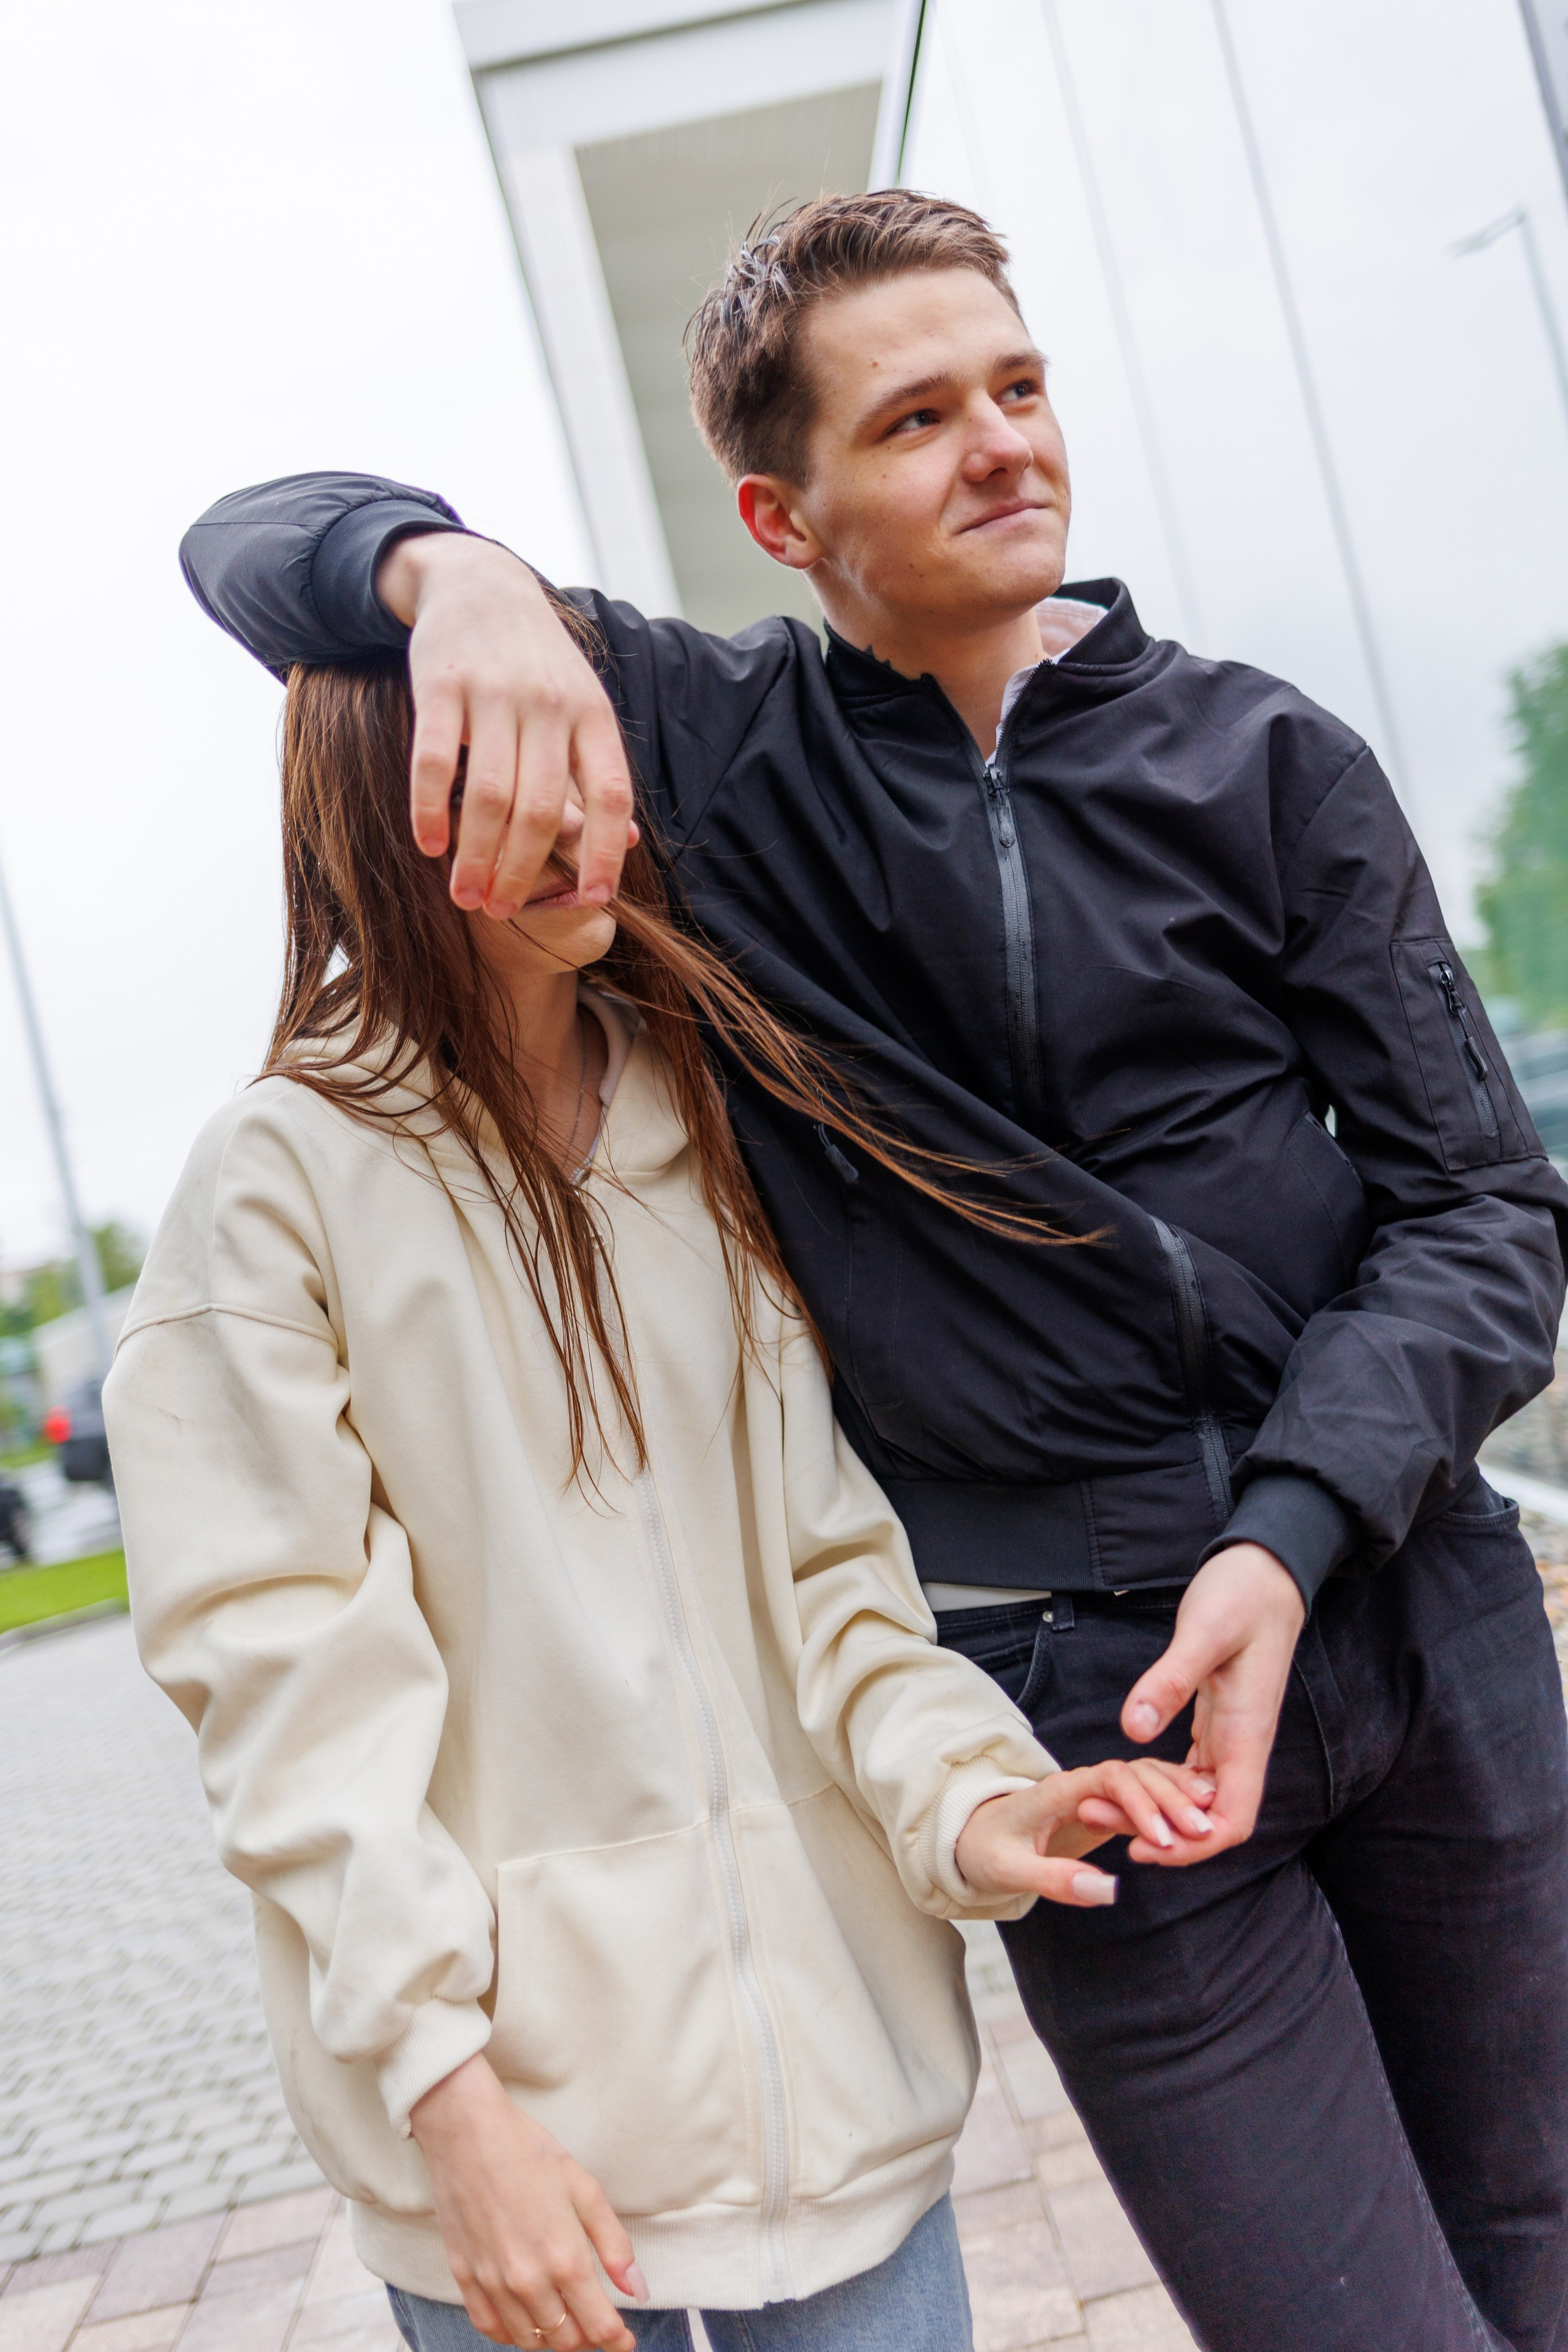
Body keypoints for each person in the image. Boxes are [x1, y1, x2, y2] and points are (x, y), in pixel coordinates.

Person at [174, 192, 1568, 2351]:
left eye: (1018, 387)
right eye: (916, 417)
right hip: (1101, 1708)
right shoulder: (714, 773)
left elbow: (1487, 1215)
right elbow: (248, 544)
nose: (1003, 444)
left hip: (1420, 1610)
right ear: (781, 513)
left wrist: (1293, 1532)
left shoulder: (1271, 760)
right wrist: (445, 569)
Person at [104, 654, 1216, 2352]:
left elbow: (831, 1577)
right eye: (506, 772)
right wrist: (447, 2102)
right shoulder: (277, 1184)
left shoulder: (703, 1116)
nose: (574, 815)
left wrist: (979, 1799)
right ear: (391, 817)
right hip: (517, 2159)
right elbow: (289, 1702)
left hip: (841, 2127)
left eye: (588, 761)